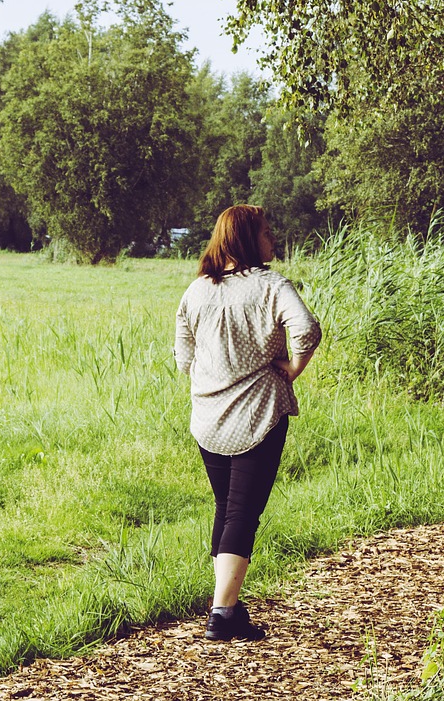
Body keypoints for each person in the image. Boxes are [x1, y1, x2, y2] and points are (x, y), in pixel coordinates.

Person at [174, 205, 321, 641]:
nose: (272, 239)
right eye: (266, 232)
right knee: (243, 512)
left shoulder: (196, 290)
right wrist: (292, 369)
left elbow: (183, 358)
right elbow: (308, 329)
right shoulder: (271, 285)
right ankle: (222, 613)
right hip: (258, 414)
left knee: (227, 508)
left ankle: (228, 608)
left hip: (208, 417)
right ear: (244, 239)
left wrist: (215, 372)